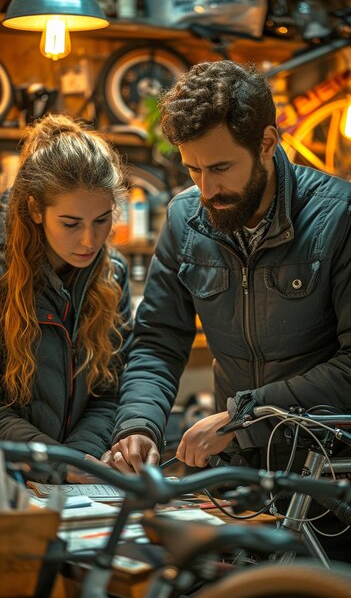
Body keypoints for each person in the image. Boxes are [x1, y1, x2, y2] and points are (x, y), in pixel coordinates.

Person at [110, 59, 351, 476]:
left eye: (220, 168)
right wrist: (139, 424)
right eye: (193, 169)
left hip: (327, 470)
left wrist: (245, 416)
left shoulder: (339, 216)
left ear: (267, 143)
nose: (206, 189)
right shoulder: (185, 219)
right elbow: (157, 340)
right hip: (236, 470)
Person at [0, 113, 133, 483]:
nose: (89, 241)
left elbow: (110, 390)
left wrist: (80, 459)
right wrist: (61, 463)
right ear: (35, 210)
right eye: (71, 224)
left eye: (102, 220)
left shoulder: (112, 275)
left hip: (77, 481)